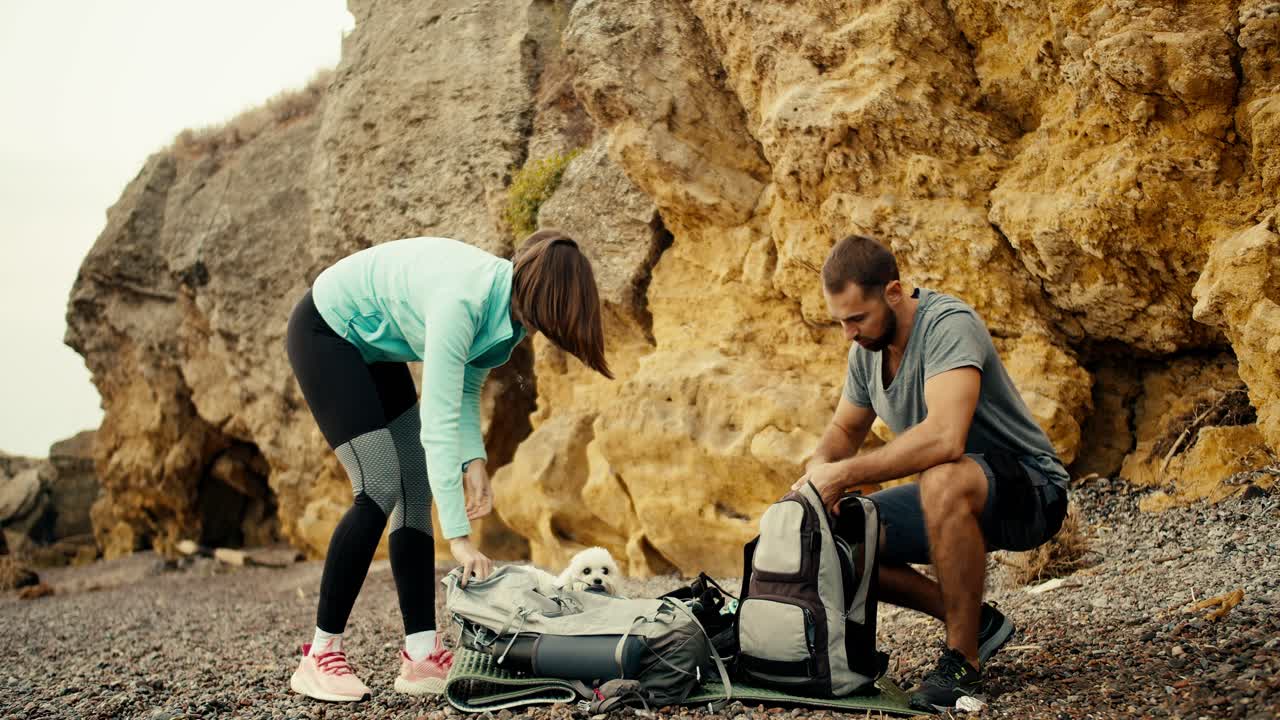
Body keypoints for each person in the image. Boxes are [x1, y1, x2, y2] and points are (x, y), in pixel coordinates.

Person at [285, 230, 612, 702]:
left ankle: (421, 656)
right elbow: (436, 423)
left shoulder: (509, 312)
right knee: (378, 483)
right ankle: (319, 655)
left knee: (414, 483)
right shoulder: (462, 301)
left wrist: (474, 460)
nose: (544, 333)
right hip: (327, 331)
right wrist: (458, 539)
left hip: (376, 344)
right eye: (552, 320)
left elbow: (461, 392)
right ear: (540, 297)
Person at [793, 234, 1069, 713]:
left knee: (942, 475)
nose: (849, 334)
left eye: (857, 318)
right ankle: (975, 622)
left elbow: (945, 438)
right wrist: (816, 478)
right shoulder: (866, 351)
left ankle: (962, 659)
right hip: (954, 498)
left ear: (894, 293)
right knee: (837, 532)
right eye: (841, 322)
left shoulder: (948, 324)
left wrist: (841, 475)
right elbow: (842, 432)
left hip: (1031, 490)